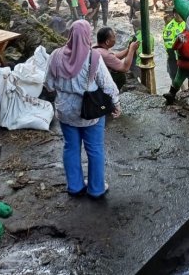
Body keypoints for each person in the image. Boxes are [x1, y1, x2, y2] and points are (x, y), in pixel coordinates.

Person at [46, 20, 119, 200]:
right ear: (87, 36)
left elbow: (48, 84)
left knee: (70, 147)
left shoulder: (55, 55)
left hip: (65, 111)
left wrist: (65, 89)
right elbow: (107, 85)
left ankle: (75, 186)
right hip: (90, 111)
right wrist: (116, 103)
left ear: (70, 35)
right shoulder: (93, 57)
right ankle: (96, 189)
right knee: (95, 149)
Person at [94, 26, 139, 91]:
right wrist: (132, 50)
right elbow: (125, 68)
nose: (115, 39)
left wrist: (128, 49)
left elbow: (114, 57)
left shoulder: (96, 47)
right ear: (107, 42)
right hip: (99, 84)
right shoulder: (105, 54)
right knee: (120, 76)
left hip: (94, 80)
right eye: (114, 37)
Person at [162, 7, 186, 84]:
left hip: (188, 56)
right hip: (175, 57)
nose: (181, 16)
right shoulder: (170, 27)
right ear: (174, 14)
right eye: (178, 14)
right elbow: (169, 46)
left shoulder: (187, 23)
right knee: (175, 77)